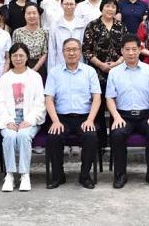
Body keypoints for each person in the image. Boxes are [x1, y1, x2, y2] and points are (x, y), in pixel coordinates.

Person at [106, 34, 149, 188]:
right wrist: (116, 117)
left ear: (140, 50)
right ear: (122, 51)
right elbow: (110, 98)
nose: (131, 53)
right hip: (123, 116)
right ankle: (120, 175)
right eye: (127, 49)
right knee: (117, 134)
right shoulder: (114, 72)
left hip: (145, 115)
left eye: (134, 49)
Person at [45, 38, 102, 189]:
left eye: (75, 49)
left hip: (84, 117)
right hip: (61, 117)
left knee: (91, 136)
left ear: (80, 52)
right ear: (62, 53)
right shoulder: (54, 72)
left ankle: (85, 176)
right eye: (68, 50)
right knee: (54, 137)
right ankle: (58, 176)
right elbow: (49, 99)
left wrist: (90, 120)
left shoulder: (89, 71)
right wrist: (55, 121)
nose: (71, 53)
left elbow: (97, 97)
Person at [0, 43, 46, 192]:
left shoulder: (35, 77)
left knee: (23, 136)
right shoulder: (5, 78)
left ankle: (24, 175)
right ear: (10, 58)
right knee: (9, 137)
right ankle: (9, 175)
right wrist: (7, 121)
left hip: (29, 118)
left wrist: (29, 120)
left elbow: (40, 103)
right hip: (9, 119)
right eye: (14, 55)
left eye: (21, 55)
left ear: (27, 56)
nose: (18, 58)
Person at [82, 0, 126, 144]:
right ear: (102, 7)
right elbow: (86, 50)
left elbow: (126, 50)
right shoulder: (92, 25)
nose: (110, 9)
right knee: (99, 107)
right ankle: (100, 143)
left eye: (113, 7)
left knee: (116, 106)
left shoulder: (121, 27)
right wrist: (101, 65)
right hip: (97, 73)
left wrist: (117, 63)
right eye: (107, 6)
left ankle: (116, 140)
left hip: (118, 72)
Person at [48, 0, 86, 71]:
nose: (69, 7)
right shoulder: (55, 23)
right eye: (66, 4)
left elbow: (85, 47)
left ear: (76, 5)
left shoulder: (82, 24)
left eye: (71, 4)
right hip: (60, 65)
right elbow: (52, 48)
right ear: (61, 5)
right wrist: (51, 69)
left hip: (79, 65)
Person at [11, 3, 48, 75]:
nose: (31, 16)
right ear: (24, 15)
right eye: (28, 13)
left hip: (39, 68)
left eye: (34, 13)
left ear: (38, 15)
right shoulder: (18, 32)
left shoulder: (44, 32)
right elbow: (14, 52)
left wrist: (35, 69)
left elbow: (45, 53)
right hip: (21, 67)